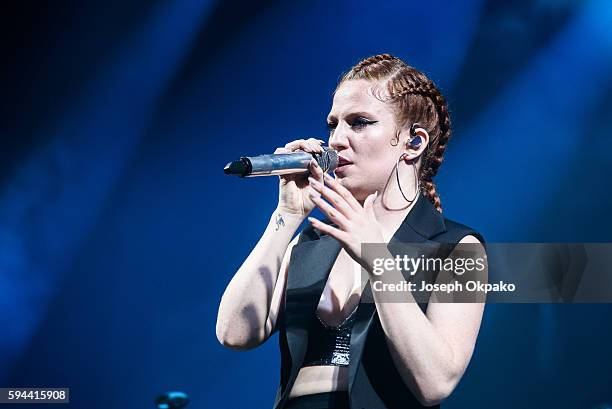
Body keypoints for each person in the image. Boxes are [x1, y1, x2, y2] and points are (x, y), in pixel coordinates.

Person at [216, 53, 487, 409]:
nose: (337, 140)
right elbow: (234, 333)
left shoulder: (457, 248)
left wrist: (377, 257)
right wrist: (286, 217)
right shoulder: (312, 241)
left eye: (359, 122)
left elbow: (435, 381)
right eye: (333, 124)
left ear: (414, 142)